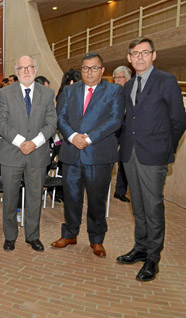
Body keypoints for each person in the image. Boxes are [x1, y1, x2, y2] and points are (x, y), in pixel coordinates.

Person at [117, 38, 186, 281]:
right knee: (138, 206)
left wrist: (164, 149)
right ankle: (140, 247)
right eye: (135, 53)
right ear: (129, 58)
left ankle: (153, 258)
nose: (140, 58)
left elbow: (179, 121)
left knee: (153, 207)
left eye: (145, 53)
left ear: (154, 55)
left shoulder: (166, 81)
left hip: (153, 156)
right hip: (130, 155)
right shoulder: (128, 85)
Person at [51, 53, 124, 258]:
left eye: (93, 68)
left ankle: (97, 239)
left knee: (96, 200)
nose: (89, 72)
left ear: (102, 70)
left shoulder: (114, 91)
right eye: (85, 68)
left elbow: (115, 120)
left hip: (99, 155)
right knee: (71, 198)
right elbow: (61, 117)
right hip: (72, 153)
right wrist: (73, 136)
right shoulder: (69, 90)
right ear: (80, 70)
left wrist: (88, 139)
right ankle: (70, 234)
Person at [0, 55, 57, 252]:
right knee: (10, 198)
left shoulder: (47, 94)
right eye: (22, 68)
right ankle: (10, 236)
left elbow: (51, 124)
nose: (26, 71)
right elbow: (1, 124)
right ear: (16, 71)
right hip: (11, 154)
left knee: (34, 198)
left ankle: (33, 236)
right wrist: (22, 142)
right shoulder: (4, 93)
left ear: (35, 69)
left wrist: (35, 143)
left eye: (30, 67)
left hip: (37, 155)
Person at [112, 65, 132, 203]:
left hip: (127, 131)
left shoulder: (133, 92)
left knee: (124, 161)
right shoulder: (110, 93)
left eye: (121, 77)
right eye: (116, 78)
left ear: (128, 79)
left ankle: (120, 191)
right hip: (112, 130)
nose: (118, 80)